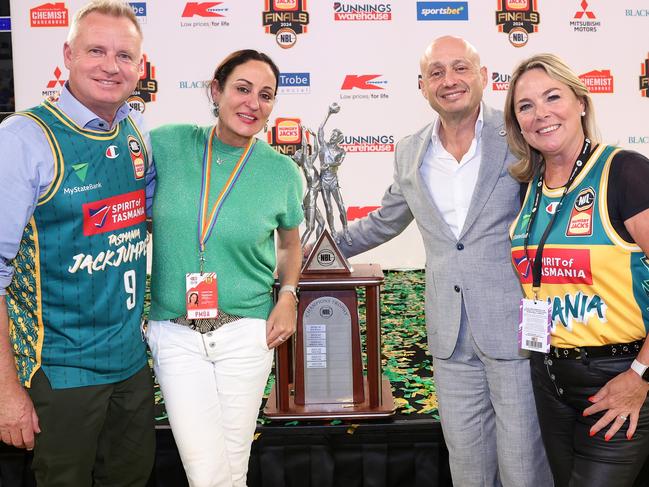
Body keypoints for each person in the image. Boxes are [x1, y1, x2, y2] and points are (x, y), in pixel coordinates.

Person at [340, 36, 551, 486]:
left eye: (460, 68)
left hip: (515, 330)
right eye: (436, 72)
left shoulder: (519, 134)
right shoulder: (409, 152)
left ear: (483, 76)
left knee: (523, 467)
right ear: (422, 86)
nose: (449, 80)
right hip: (449, 339)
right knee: (468, 468)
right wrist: (314, 251)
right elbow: (384, 221)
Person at [0, 1, 155, 485]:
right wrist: (6, 393)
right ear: (68, 54)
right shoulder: (22, 139)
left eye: (125, 56)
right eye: (96, 50)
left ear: (140, 68)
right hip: (60, 373)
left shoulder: (136, 130)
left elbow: (147, 223)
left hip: (131, 368)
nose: (111, 66)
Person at [146, 49, 303, 487]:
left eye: (266, 95)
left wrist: (287, 295)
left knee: (232, 464)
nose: (253, 103)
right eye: (242, 88)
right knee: (207, 467)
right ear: (216, 91)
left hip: (247, 333)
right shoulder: (169, 143)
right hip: (175, 332)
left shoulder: (282, 173)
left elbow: (291, 244)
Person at [506, 53, 649, 487]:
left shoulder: (624, 171)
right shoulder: (527, 186)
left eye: (553, 97)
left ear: (582, 103)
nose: (541, 114)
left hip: (618, 376)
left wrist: (640, 376)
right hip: (550, 379)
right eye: (525, 106)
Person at [318, 103, 352, 245]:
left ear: (339, 139)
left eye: (335, 136)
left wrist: (329, 165)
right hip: (323, 182)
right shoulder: (324, 146)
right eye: (332, 134)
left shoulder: (341, 151)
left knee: (341, 207)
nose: (332, 137)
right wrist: (329, 113)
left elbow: (338, 163)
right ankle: (333, 232)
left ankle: (346, 231)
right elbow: (320, 129)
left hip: (333, 181)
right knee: (329, 209)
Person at [292, 125, 325, 246]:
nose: (300, 152)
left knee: (321, 223)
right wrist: (302, 132)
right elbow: (305, 146)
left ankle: (317, 247)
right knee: (310, 228)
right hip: (310, 198)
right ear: (300, 159)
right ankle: (298, 252)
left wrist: (315, 137)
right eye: (298, 153)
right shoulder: (305, 165)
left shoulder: (309, 163)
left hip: (312, 198)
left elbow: (316, 150)